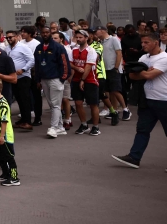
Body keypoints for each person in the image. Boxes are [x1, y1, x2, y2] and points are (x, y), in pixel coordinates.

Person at [112, 32, 167, 169]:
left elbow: (148, 75)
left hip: (163, 100)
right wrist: (144, 71)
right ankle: (134, 158)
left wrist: (142, 71)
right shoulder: (143, 57)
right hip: (147, 100)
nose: (143, 45)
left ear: (156, 42)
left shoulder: (164, 58)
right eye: (142, 42)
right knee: (142, 130)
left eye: (146, 42)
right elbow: (131, 75)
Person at [33, 24, 70, 139]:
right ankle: (60, 127)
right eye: (43, 32)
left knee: (55, 105)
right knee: (52, 104)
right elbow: (37, 65)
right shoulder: (39, 48)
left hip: (55, 79)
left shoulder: (58, 47)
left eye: (47, 32)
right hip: (44, 79)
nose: (45, 34)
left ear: (50, 33)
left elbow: (65, 64)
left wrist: (62, 79)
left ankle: (53, 128)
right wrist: (38, 79)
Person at [70, 30, 101, 136]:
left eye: (81, 37)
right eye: (77, 37)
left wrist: (82, 80)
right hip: (76, 80)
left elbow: (88, 67)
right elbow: (70, 63)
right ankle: (84, 125)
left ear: (86, 38)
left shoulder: (91, 51)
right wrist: (77, 68)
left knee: (93, 104)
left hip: (90, 80)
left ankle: (96, 127)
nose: (78, 39)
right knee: (78, 103)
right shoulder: (73, 50)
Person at [96, 25, 126, 125]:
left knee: (115, 90)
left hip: (114, 69)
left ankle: (126, 109)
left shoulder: (113, 39)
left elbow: (119, 53)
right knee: (109, 91)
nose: (96, 33)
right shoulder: (101, 42)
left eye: (98, 31)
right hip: (105, 70)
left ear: (103, 31)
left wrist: (116, 67)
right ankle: (114, 109)